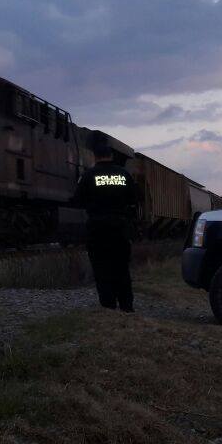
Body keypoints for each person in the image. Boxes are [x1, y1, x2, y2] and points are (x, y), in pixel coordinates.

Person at [73, 134, 138, 312]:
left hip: (97, 228)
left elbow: (78, 200)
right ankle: (127, 306)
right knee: (121, 268)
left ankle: (108, 306)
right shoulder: (124, 175)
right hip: (120, 227)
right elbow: (134, 199)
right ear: (111, 156)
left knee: (101, 268)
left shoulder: (88, 175)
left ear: (95, 157)